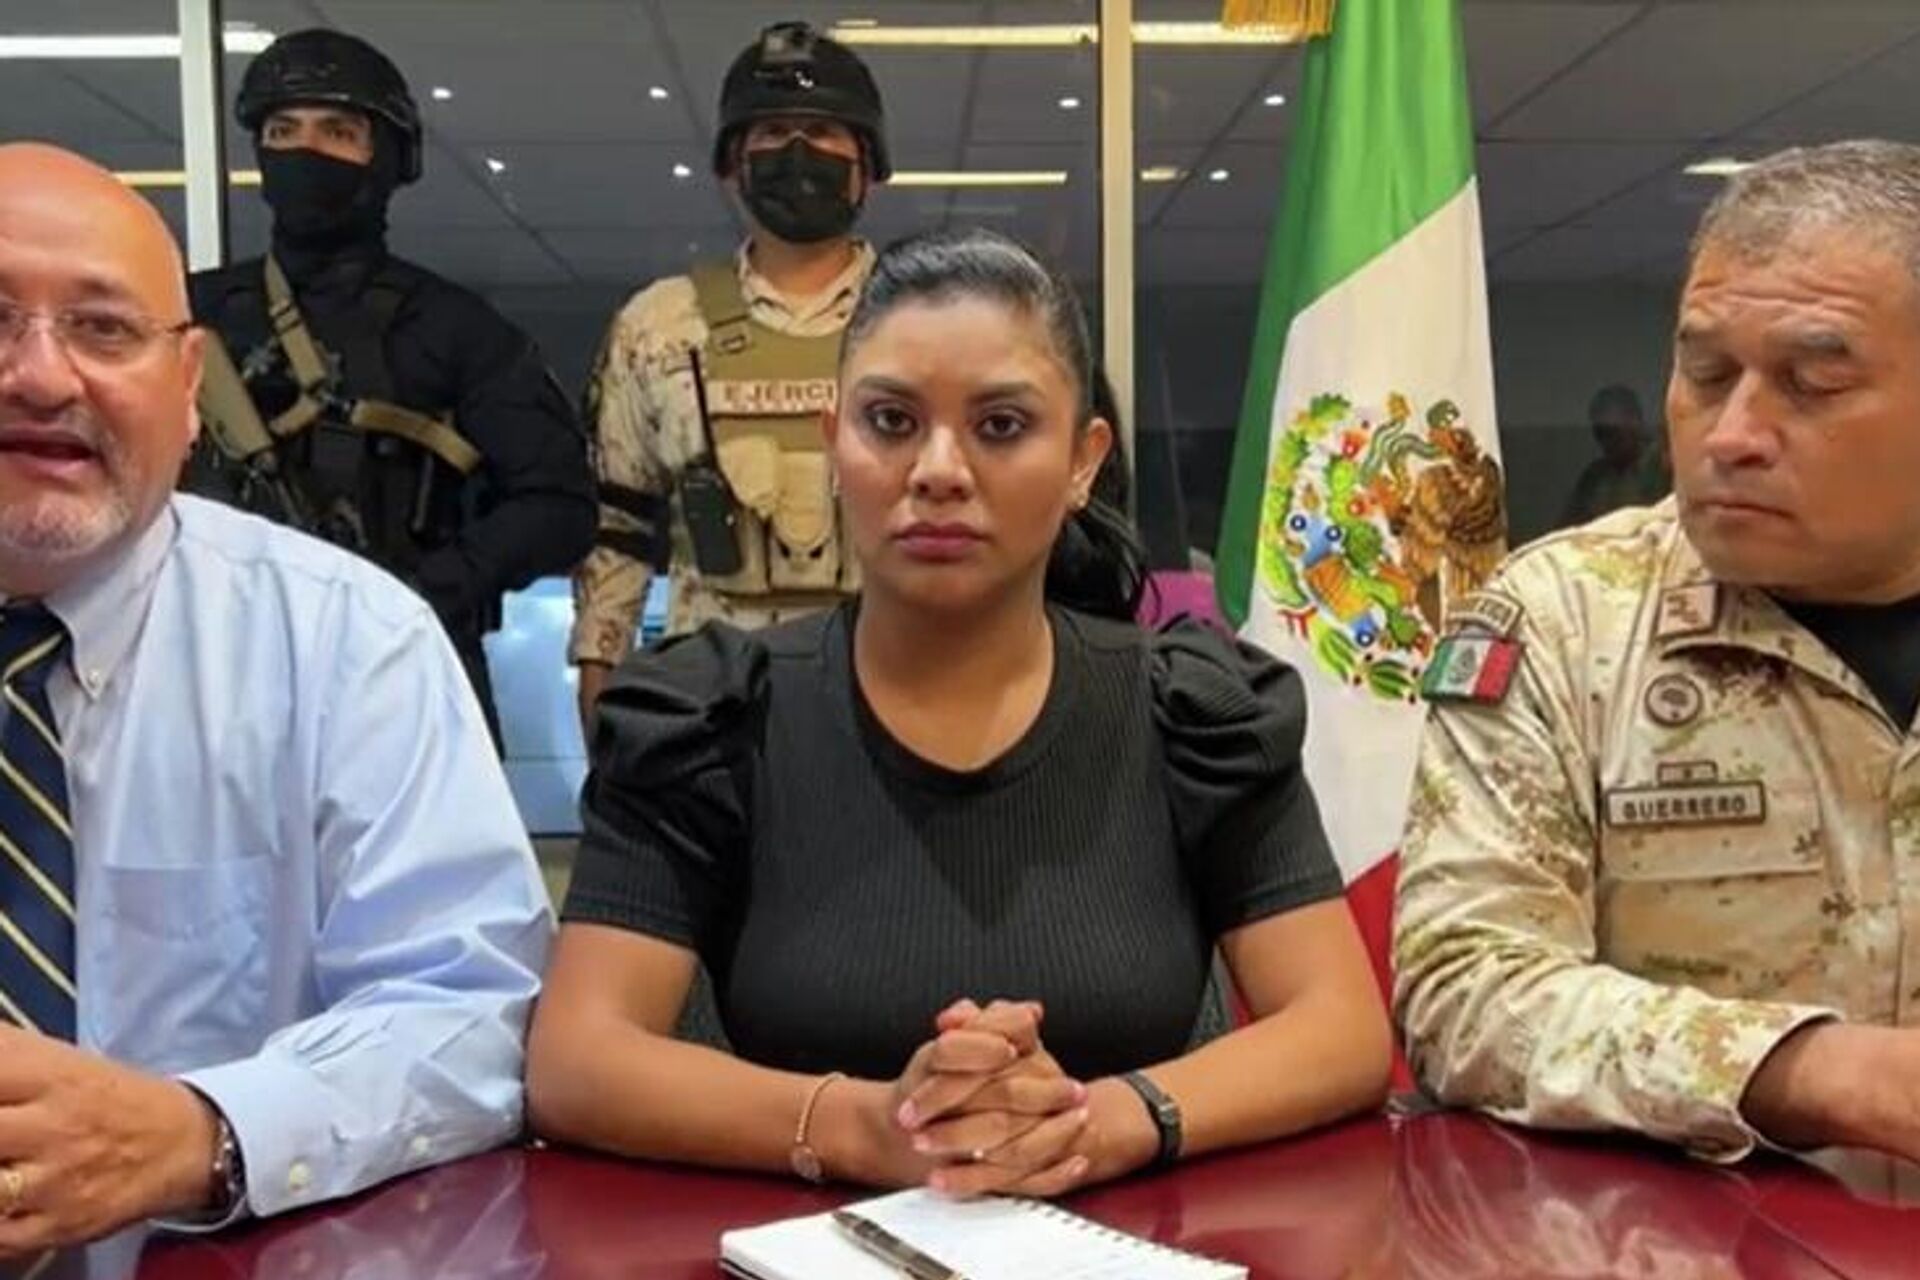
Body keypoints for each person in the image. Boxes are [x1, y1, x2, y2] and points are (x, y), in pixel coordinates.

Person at [528, 229, 1391, 1196]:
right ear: (833, 442)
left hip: (1139, 1263)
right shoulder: (709, 716)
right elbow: (576, 1058)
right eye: (891, 422)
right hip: (793, 1268)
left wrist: (1098, 1123)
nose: (938, 468)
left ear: (1083, 461)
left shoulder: (1195, 712)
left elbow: (1342, 1029)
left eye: (1002, 425)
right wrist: (866, 1128)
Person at [0, 143, 549, 1254]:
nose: (42, 376)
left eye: (104, 328)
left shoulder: (349, 643)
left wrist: (205, 1132)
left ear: (188, 387)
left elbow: (470, 1009)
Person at [1394, 138, 1920, 1165]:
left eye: (1813, 383)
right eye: (1706, 373)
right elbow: (1466, 987)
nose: (1731, 434)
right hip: (1702, 1252)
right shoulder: (1562, 620)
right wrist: (1813, 1072)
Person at [187, 28, 596, 740]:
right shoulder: (190, 314)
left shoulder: (458, 329)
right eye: (283, 130)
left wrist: (421, 591)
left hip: (406, 674)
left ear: (389, 158)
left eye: (337, 132)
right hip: (216, 674)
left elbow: (559, 506)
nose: (305, 151)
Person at [570, 20, 889, 739]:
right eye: (772, 132)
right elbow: (619, 527)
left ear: (867, 164)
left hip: (893, 693)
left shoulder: (923, 314)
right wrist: (600, 679)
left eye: (823, 131)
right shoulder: (658, 326)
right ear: (732, 165)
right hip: (711, 704)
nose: (798, 152)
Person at [1556, 383, 1668, 527]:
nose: (1606, 441)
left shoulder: (1666, 463)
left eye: (1613, 432)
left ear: (1635, 421)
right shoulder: (1594, 478)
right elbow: (1568, 529)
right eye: (1600, 433)